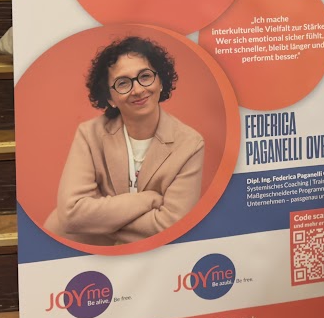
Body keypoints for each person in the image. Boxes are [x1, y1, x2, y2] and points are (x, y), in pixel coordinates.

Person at [44, 36, 205, 246]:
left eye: (145, 76)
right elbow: (72, 214)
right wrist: (148, 199)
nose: (137, 90)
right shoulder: (89, 134)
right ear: (110, 98)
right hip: (92, 255)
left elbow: (172, 227)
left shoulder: (190, 144)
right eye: (123, 83)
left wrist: (99, 219)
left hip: (159, 258)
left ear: (160, 82)